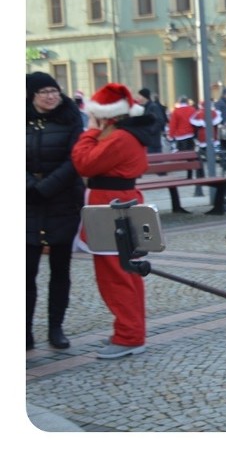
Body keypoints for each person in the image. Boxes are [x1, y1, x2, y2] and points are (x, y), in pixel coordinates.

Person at [71, 82, 157, 359]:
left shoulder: (120, 137)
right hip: (115, 201)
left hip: (111, 204)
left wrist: (90, 131)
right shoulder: (126, 134)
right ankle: (129, 330)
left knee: (116, 274)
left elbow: (83, 162)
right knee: (124, 271)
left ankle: (130, 336)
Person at [26, 72, 85, 351]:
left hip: (63, 201)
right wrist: (29, 186)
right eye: (43, 92)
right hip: (26, 203)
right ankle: (23, 330)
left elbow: (76, 159)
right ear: (30, 95)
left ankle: (55, 328)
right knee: (25, 273)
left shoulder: (71, 119)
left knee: (60, 270)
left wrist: (45, 188)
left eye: (54, 91)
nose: (50, 96)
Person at [134, 88, 166, 154]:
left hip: (153, 143)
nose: (138, 98)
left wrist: (149, 130)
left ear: (144, 97)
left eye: (139, 96)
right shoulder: (145, 107)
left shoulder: (153, 107)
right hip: (148, 142)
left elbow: (160, 121)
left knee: (155, 162)